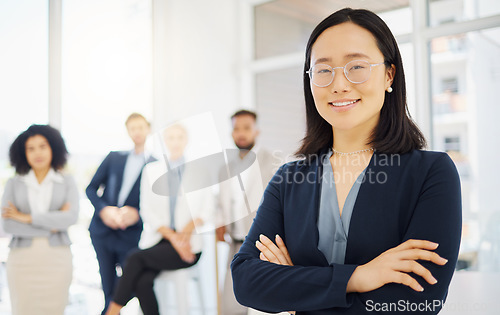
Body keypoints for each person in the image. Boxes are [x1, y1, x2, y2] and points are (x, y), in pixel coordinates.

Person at [231, 8, 461, 315]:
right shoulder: (289, 178)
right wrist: (359, 277)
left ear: (389, 74)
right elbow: (246, 281)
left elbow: (417, 301)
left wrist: (295, 295)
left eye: (356, 67)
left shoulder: (431, 173)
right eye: (324, 70)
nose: (339, 84)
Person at [105, 123, 213, 315]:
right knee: (142, 281)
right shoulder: (151, 171)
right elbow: (146, 211)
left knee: (134, 259)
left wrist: (185, 234)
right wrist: (173, 238)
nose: (175, 142)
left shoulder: (201, 171)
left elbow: (207, 210)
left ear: (186, 140)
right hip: (159, 241)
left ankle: (112, 311)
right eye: (171, 137)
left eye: (180, 137)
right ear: (164, 141)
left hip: (189, 246)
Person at [1, 124, 79, 315]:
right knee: (22, 308)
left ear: (53, 148)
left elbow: (70, 218)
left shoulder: (66, 181)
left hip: (57, 258)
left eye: (43, 146)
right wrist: (53, 223)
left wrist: (26, 218)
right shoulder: (14, 183)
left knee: (55, 309)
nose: (38, 153)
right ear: (23, 153)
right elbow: (8, 224)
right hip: (22, 261)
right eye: (31, 148)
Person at [86, 113, 155, 314]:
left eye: (140, 127)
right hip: (102, 231)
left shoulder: (156, 163)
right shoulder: (114, 157)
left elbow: (157, 204)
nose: (137, 132)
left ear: (148, 128)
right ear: (128, 131)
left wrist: (138, 214)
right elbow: (91, 189)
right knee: (107, 284)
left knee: (131, 280)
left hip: (130, 234)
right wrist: (104, 210)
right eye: (132, 128)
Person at [216, 109, 281, 315]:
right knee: (231, 301)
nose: (241, 133)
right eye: (236, 129)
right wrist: (220, 222)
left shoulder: (272, 162)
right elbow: (221, 202)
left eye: (246, 128)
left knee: (263, 303)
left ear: (256, 131)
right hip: (235, 242)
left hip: (263, 243)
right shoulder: (226, 168)